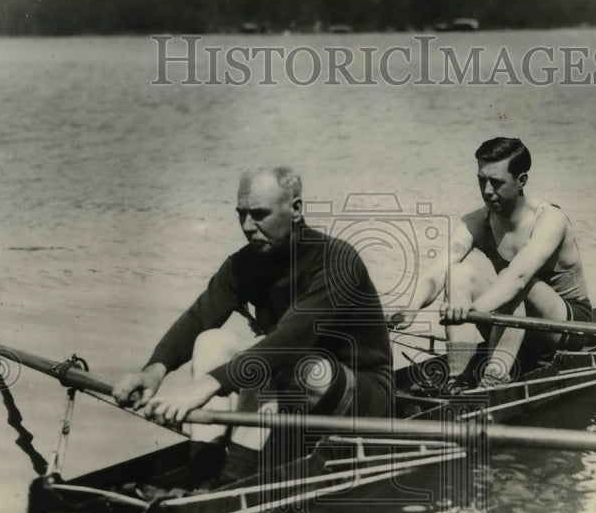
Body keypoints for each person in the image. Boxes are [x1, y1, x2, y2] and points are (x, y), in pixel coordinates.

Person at [113, 166, 393, 481]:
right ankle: (202, 472)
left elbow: (288, 341)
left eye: (259, 214)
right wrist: (155, 370)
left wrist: (204, 387)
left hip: (365, 395)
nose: (248, 226)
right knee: (211, 341)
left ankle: (235, 479)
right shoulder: (244, 263)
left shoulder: (336, 261)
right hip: (291, 379)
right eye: (241, 214)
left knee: (273, 359)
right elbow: (199, 316)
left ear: (296, 209)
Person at [391, 137, 591, 391]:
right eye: (481, 180)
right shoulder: (477, 221)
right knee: (458, 273)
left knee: (514, 279)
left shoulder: (550, 219)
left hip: (567, 328)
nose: (487, 191)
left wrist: (471, 310)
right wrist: (412, 307)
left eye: (496, 183)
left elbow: (517, 278)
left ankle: (495, 376)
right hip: (512, 319)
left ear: (521, 181)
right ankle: (459, 378)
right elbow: (437, 272)